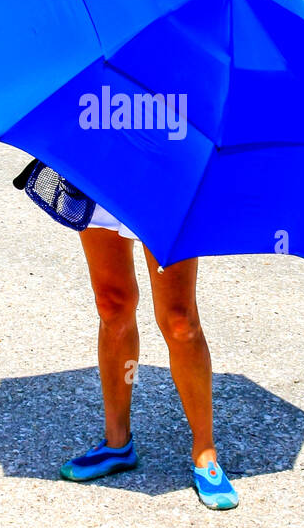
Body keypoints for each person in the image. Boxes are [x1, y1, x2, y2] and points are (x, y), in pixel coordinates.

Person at [61, 211, 238, 510]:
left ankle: (205, 451)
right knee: (112, 305)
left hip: (166, 179)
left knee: (179, 321)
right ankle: (117, 443)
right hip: (105, 173)